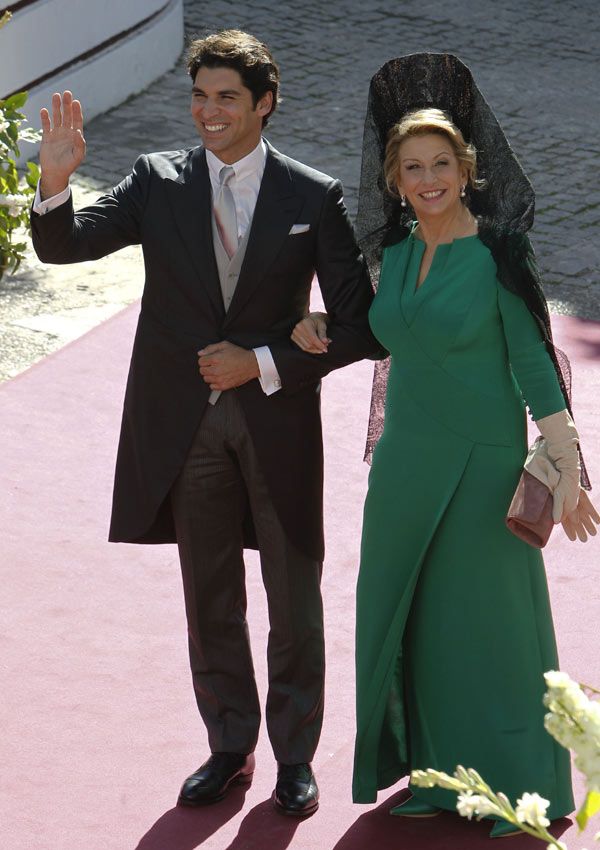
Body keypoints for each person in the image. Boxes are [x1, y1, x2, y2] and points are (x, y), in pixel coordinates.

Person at [30, 29, 380, 817]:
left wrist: (260, 361)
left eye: (226, 97)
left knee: (294, 595)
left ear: (264, 103)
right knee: (209, 592)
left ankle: (295, 757)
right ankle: (230, 746)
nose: (208, 112)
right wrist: (54, 183)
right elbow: (66, 246)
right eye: (200, 96)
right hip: (183, 427)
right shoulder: (156, 181)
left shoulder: (311, 195)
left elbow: (364, 326)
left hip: (277, 423)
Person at [291, 53, 599, 838]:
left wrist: (568, 468)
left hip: (483, 468)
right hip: (403, 468)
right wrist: (325, 324)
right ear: (394, 179)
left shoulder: (500, 254)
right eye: (411, 167)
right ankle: (437, 775)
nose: (427, 179)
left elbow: (535, 363)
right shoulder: (392, 255)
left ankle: (525, 789)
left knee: (494, 633)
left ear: (466, 170)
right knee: (412, 622)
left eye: (441, 165)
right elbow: (380, 333)